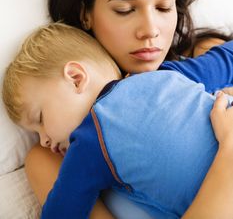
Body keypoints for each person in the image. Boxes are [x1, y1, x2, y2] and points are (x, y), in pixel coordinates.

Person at [24, 0, 233, 218]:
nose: (150, 29)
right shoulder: (57, 151)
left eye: (164, 6)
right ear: (86, 13)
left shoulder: (192, 69)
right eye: (124, 9)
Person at [3, 22, 233, 219]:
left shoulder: (90, 143)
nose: (43, 141)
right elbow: (225, 57)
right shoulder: (166, 74)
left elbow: (62, 212)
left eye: (40, 119)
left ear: (75, 78)